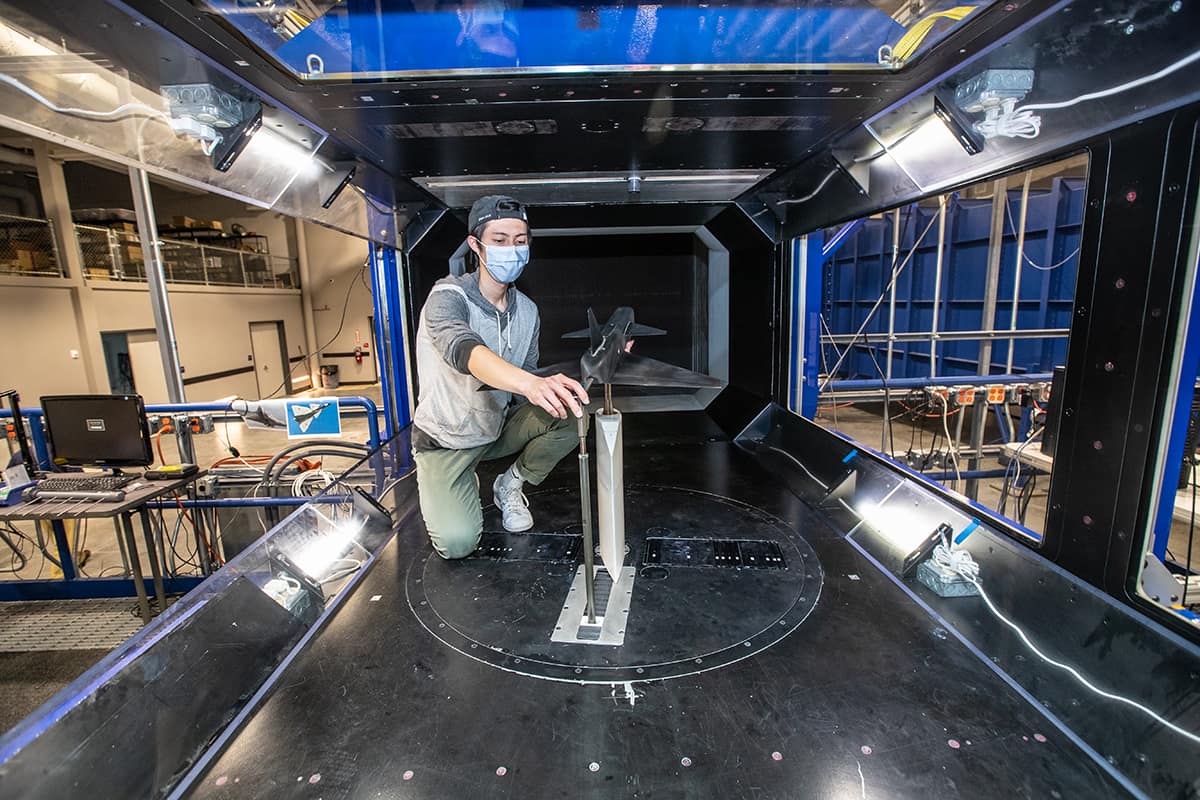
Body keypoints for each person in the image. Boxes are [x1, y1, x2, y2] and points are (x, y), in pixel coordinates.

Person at [411, 195, 590, 559]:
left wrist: (605, 361)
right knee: (457, 545)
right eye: (499, 240)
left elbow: (529, 379)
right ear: (476, 245)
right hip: (447, 439)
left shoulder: (527, 310)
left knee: (572, 413)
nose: (512, 249)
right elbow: (465, 352)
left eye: (520, 241)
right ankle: (460, 482)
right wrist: (529, 383)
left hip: (495, 427)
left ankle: (510, 484)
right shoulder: (448, 296)